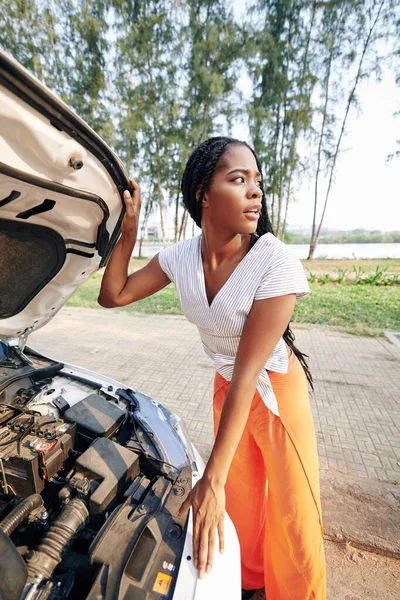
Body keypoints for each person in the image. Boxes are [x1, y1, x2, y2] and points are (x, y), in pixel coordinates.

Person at [98, 136, 326, 600]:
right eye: (238, 179)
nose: (255, 192)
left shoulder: (274, 263)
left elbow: (250, 375)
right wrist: (129, 234)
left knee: (294, 514)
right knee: (238, 499)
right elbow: (113, 294)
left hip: (276, 391)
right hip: (228, 387)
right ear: (203, 192)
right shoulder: (181, 257)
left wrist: (210, 478)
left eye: (257, 182)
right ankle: (248, 584)